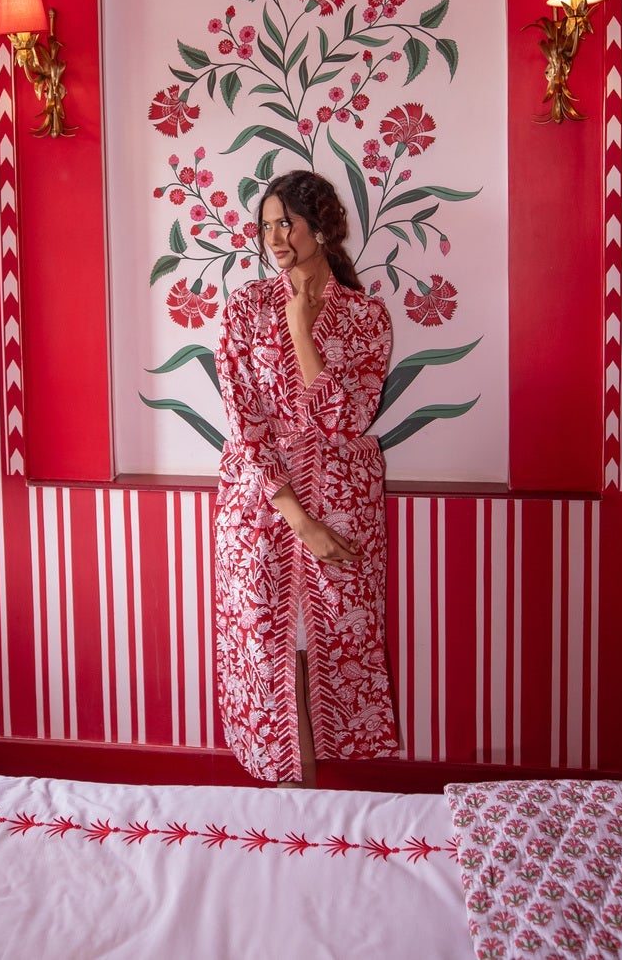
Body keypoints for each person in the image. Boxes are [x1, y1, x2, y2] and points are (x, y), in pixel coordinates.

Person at [213, 169, 397, 786]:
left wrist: (301, 332)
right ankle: (288, 799)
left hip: (342, 499)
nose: (274, 238)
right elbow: (244, 421)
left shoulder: (367, 317)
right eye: (266, 225)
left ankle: (316, 803)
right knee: (269, 648)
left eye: (285, 223)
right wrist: (298, 519)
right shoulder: (244, 309)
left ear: (320, 227)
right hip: (261, 505)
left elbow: (348, 419)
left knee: (332, 645)